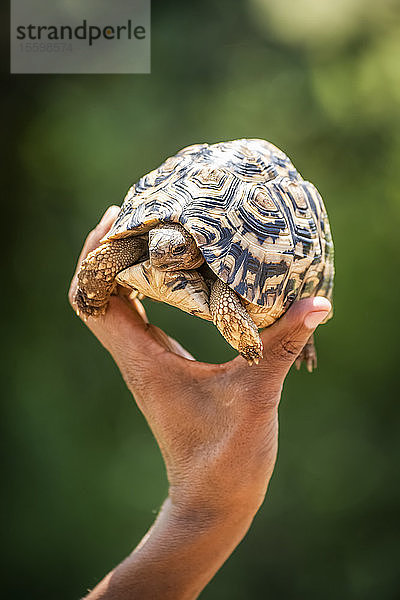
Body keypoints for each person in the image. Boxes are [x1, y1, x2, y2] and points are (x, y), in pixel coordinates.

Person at [69, 206, 332, 600]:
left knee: (230, 304)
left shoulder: (217, 276)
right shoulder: (154, 245)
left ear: (195, 250)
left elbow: (222, 288)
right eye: (155, 250)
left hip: (233, 265)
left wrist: (201, 516)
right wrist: (207, 515)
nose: (160, 258)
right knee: (110, 260)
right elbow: (120, 256)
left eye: (172, 253)